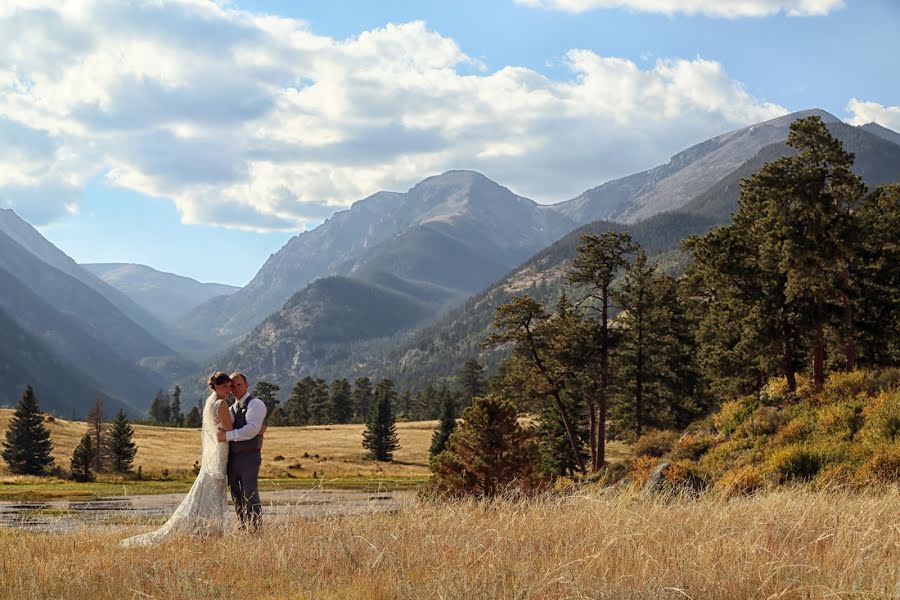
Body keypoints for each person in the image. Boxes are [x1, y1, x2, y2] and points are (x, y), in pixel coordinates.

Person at [121, 372, 235, 547]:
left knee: (207, 488)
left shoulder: (210, 401)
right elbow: (228, 428)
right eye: (224, 386)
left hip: (214, 451)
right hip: (220, 449)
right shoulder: (221, 404)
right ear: (216, 387)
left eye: (229, 386)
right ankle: (209, 531)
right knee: (214, 488)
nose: (228, 390)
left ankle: (204, 528)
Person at [218, 371, 267, 532]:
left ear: (247, 385)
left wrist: (227, 436)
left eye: (239, 384)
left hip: (249, 456)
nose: (236, 388)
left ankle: (256, 529)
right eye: (232, 386)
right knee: (236, 493)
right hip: (233, 458)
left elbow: (251, 430)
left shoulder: (255, 404)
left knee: (249, 492)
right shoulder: (230, 408)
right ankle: (243, 526)